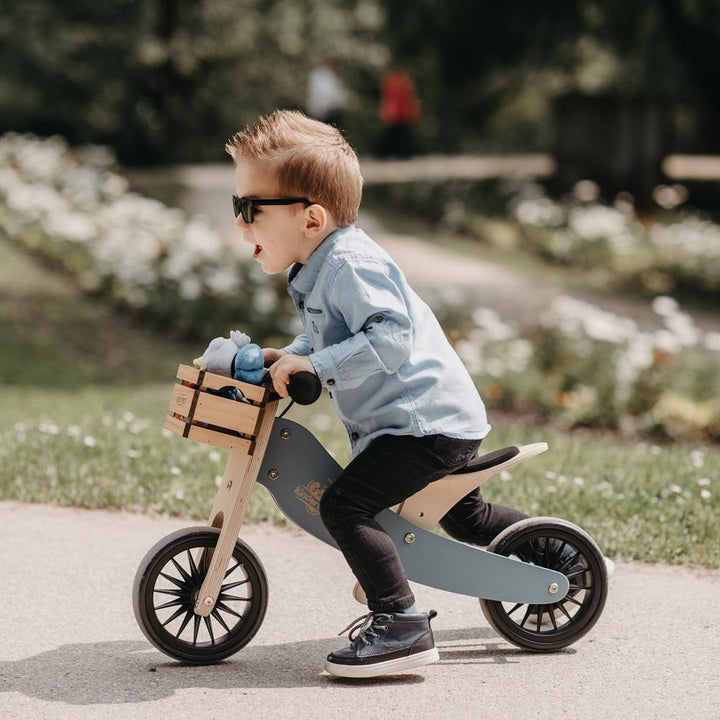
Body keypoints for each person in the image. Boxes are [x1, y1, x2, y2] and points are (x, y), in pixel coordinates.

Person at [221, 110, 528, 678]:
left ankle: (403, 622)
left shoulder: (350, 264)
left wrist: (314, 362)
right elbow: (328, 336)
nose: (241, 226)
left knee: (344, 504)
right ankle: (553, 553)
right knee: (468, 520)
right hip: (418, 425)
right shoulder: (321, 265)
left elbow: (389, 337)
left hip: (424, 427)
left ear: (311, 217)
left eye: (249, 209)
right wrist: (286, 356)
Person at [377, 66, 420, 158]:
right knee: (397, 133)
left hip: (398, 111)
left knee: (400, 134)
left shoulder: (393, 80)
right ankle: (390, 152)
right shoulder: (402, 80)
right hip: (397, 111)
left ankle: (399, 153)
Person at [306, 59, 347, 129]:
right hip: (323, 112)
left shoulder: (323, 76)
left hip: (325, 112)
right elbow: (330, 95)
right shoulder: (324, 77)